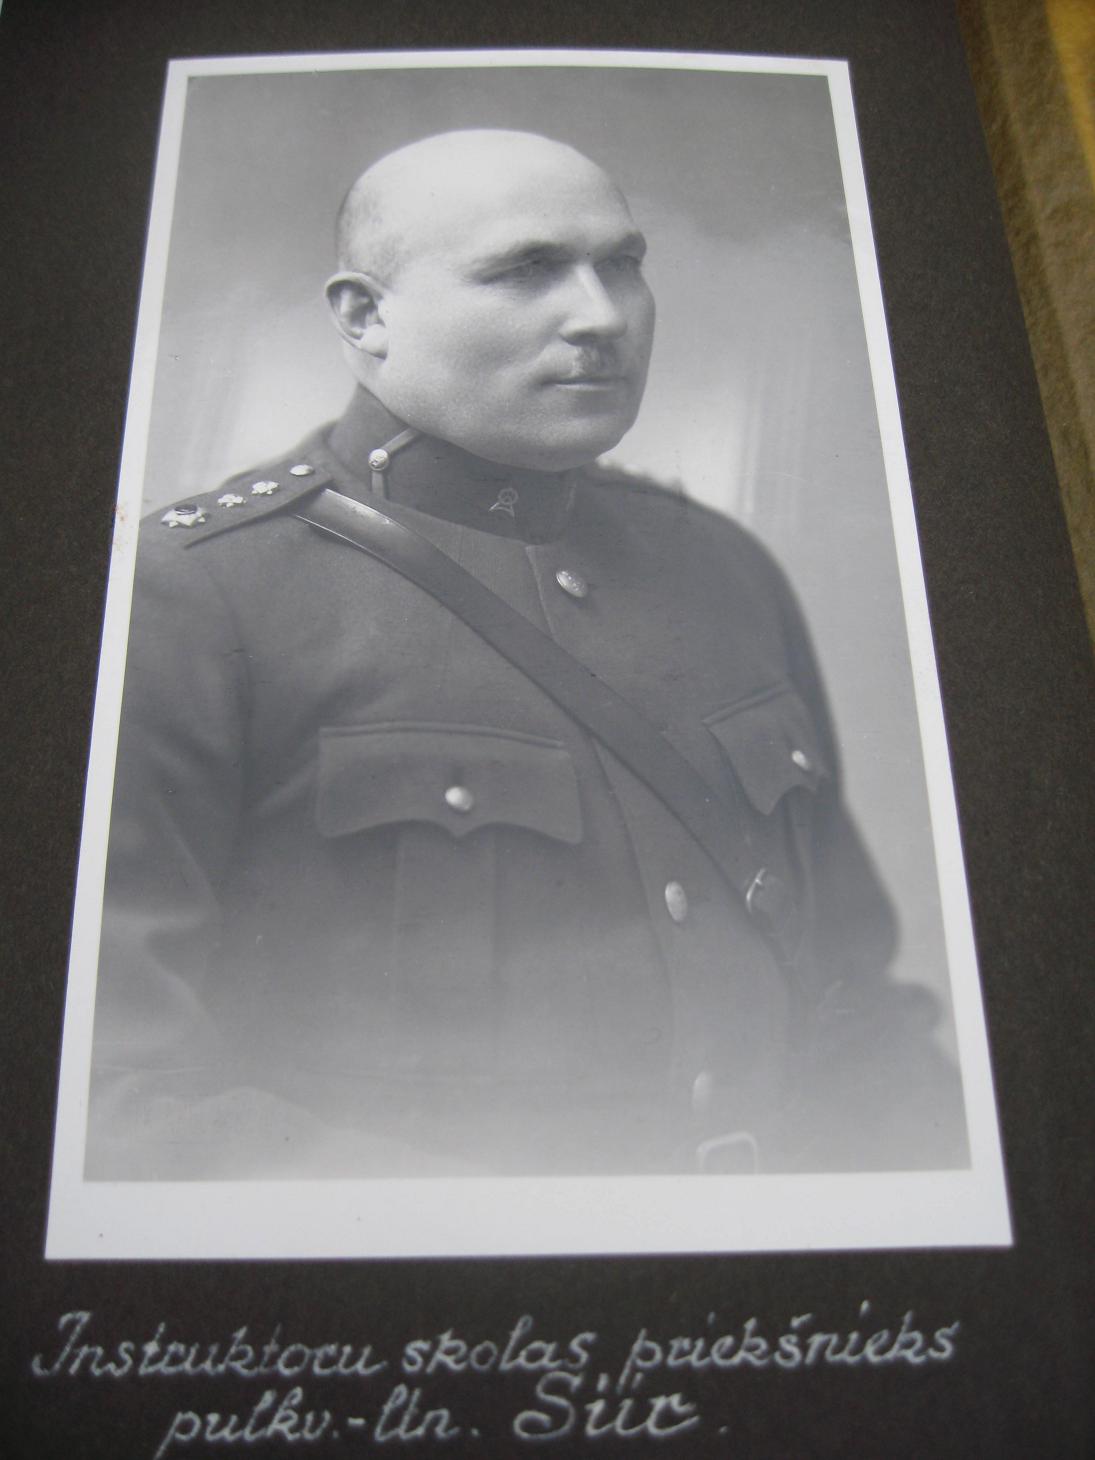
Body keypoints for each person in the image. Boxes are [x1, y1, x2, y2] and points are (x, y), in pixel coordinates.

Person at [86, 129, 966, 1180]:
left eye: (622, 264)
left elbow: (851, 999)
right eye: (525, 270)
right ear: (365, 317)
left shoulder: (722, 570)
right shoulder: (190, 594)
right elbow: (110, 1093)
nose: (602, 315)